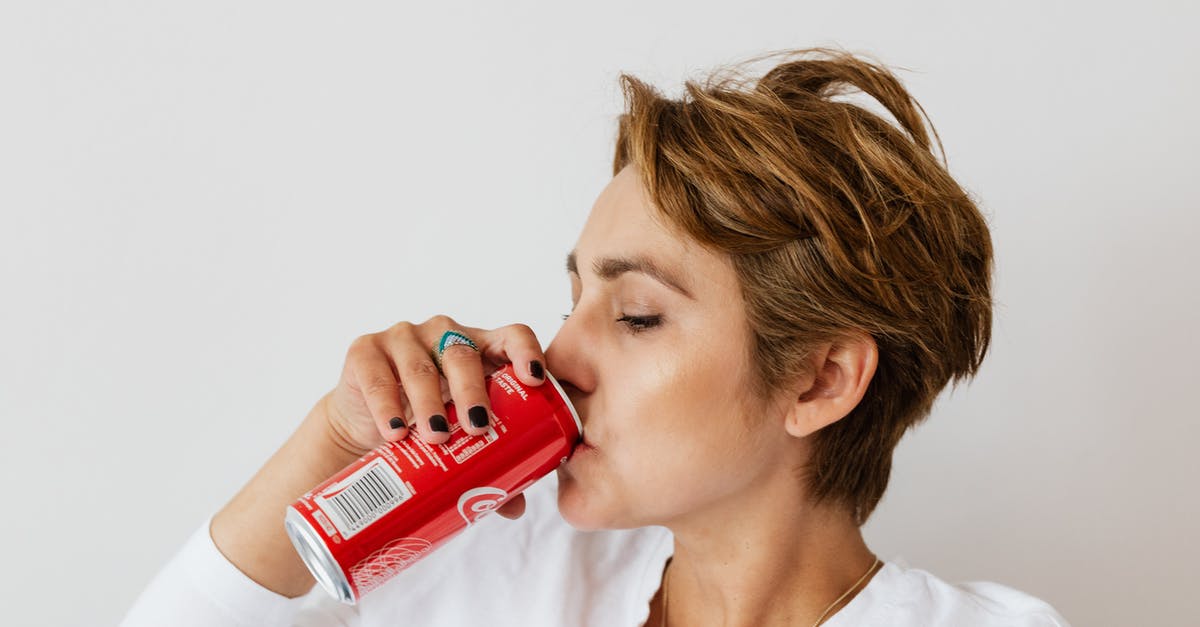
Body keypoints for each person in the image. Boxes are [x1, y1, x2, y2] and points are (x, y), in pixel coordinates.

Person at [121, 47, 1071, 627]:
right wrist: (335, 439)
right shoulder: (505, 563)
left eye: (638, 314)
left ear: (820, 379)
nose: (557, 355)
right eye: (571, 296)